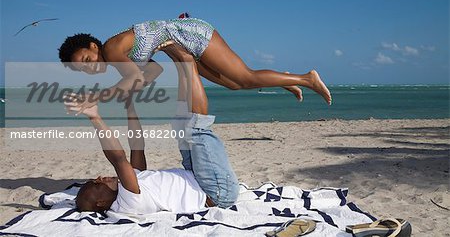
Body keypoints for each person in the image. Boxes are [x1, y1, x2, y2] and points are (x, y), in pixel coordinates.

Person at [65, 52, 239, 213]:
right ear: (101, 203)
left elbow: (137, 145)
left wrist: (129, 106)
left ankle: (183, 66)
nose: (100, 178)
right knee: (197, 128)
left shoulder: (134, 184)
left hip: (196, 175)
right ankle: (187, 59)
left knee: (180, 123)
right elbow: (118, 159)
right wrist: (95, 118)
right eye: (96, 184)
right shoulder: (129, 201)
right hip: (216, 190)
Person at [58, 16, 332, 114]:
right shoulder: (117, 56)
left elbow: (133, 79)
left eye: (86, 59)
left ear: (93, 46)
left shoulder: (111, 48)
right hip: (181, 45)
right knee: (235, 84)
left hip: (190, 34)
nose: (89, 67)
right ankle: (286, 79)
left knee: (245, 77)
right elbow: (151, 71)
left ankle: (307, 78)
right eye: (82, 69)